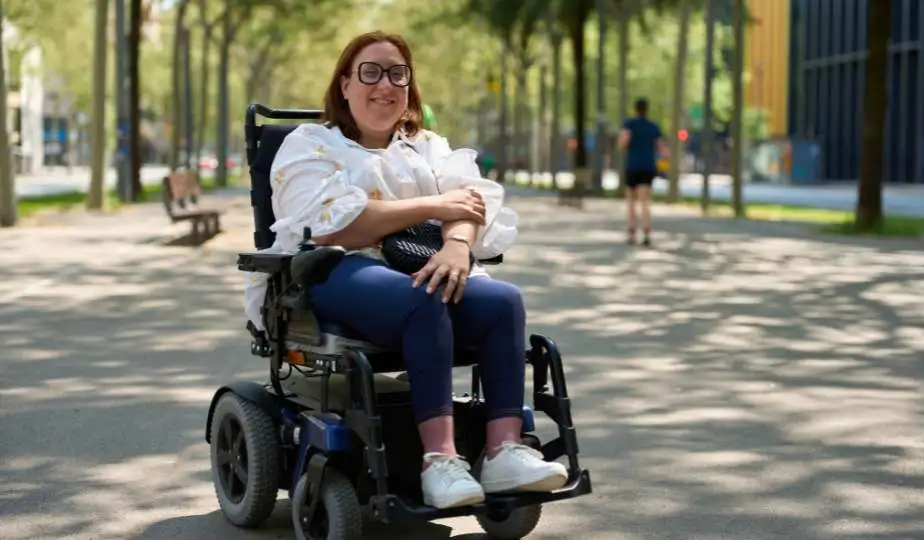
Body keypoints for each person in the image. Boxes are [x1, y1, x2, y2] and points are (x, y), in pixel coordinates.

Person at [243, 30, 567, 510]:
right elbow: (336, 225)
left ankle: (504, 452)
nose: (385, 84)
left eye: (397, 73)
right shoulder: (308, 144)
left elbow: (472, 201)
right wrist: (434, 205)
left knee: (503, 301)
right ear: (345, 85)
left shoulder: (428, 147)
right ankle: (440, 461)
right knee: (421, 296)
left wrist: (457, 245)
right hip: (332, 271)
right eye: (370, 72)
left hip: (422, 266)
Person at [618, 98, 669, 246]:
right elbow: (661, 148)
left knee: (631, 202)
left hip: (633, 166)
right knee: (645, 201)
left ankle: (632, 234)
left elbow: (622, 143)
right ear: (647, 110)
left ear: (635, 109)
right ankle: (646, 233)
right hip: (648, 167)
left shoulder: (629, 124)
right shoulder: (653, 127)